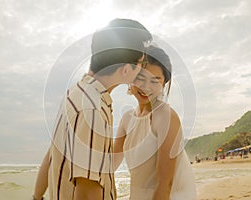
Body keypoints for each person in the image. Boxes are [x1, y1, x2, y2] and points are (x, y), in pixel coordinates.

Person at [33, 18, 152, 200]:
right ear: (127, 70)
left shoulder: (75, 93)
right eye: (142, 64)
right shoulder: (92, 110)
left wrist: (36, 197)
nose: (143, 70)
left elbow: (51, 155)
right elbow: (88, 192)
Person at [113, 45, 196, 200]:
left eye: (155, 81)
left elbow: (164, 184)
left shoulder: (166, 116)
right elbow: (111, 163)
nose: (146, 87)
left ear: (164, 84)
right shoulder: (127, 119)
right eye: (140, 78)